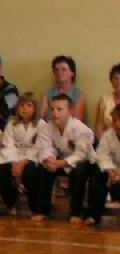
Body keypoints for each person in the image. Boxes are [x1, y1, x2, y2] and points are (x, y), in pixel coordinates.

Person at [32, 94, 95, 223]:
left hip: (85, 162)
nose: (55, 113)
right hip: (58, 161)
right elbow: (44, 148)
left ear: (70, 111)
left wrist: (60, 163)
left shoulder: (81, 129)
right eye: (52, 109)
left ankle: (76, 212)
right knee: (42, 169)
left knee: (78, 172)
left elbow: (81, 154)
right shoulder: (46, 127)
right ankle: (43, 210)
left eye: (60, 109)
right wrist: (48, 160)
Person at [0, 93, 48, 216]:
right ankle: (11, 202)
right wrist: (14, 163)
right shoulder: (12, 123)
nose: (24, 108)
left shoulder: (41, 125)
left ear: (35, 109)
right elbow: (8, 144)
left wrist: (23, 163)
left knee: (30, 174)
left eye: (29, 105)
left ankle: (34, 207)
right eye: (22, 105)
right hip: (13, 158)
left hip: (32, 159)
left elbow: (40, 147)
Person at [85, 105, 120, 226]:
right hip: (112, 171)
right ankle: (95, 215)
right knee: (98, 174)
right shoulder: (108, 135)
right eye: (115, 120)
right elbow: (102, 155)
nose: (118, 124)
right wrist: (111, 171)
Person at [40, 55, 87, 123]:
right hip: (49, 128)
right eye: (57, 69)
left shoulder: (79, 96)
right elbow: (41, 120)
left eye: (64, 69)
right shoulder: (47, 94)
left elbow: (77, 122)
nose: (59, 72)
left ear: (72, 73)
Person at [93, 63, 120, 139]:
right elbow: (99, 127)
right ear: (111, 81)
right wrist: (104, 143)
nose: (119, 81)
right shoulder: (104, 100)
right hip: (108, 140)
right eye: (116, 78)